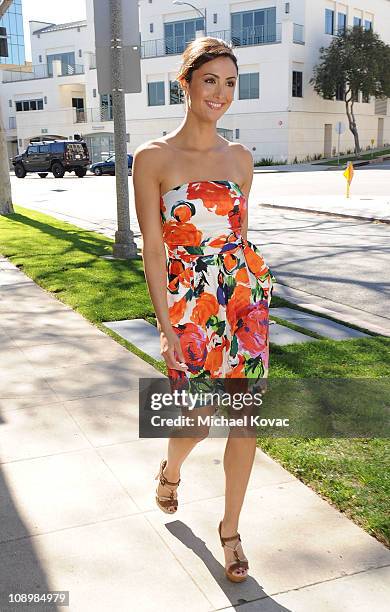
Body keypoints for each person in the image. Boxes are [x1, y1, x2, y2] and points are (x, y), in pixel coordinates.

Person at [133, 37, 276, 583]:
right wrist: (166, 324)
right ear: (186, 83)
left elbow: (240, 236)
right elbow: (152, 244)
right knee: (195, 420)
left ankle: (231, 531)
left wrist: (255, 295)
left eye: (231, 82)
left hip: (243, 301)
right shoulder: (152, 157)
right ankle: (171, 470)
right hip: (187, 303)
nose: (221, 93)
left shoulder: (241, 158)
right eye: (210, 80)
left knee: (244, 422)